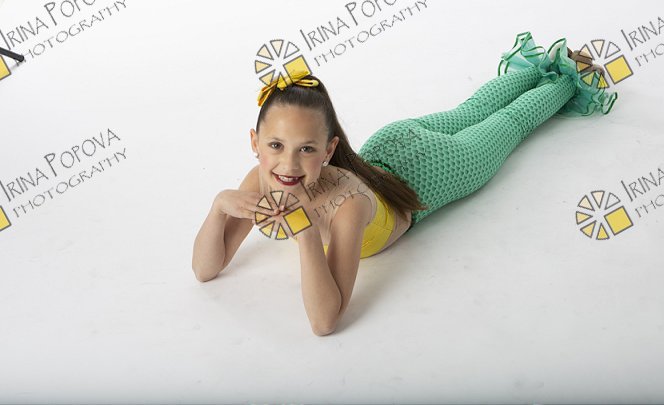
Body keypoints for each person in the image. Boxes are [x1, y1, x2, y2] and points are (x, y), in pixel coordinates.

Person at [191, 31, 618, 336]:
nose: (288, 164)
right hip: (391, 143)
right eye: (276, 145)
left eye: (306, 149)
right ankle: (542, 68)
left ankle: (568, 75)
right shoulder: (260, 180)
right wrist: (219, 206)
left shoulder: (347, 204)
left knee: (508, 122)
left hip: (442, 168)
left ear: (329, 149)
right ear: (255, 143)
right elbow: (205, 269)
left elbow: (324, 321)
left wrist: (304, 233)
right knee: (471, 110)